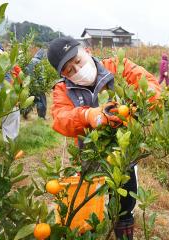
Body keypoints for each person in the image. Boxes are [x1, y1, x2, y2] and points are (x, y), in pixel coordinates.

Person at [47, 37, 161, 240]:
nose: (77, 70)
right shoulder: (62, 89)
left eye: (78, 61)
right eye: (69, 70)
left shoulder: (118, 67)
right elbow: (60, 119)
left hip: (123, 155)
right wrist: (87, 115)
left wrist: (133, 106)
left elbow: (151, 86)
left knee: (124, 206)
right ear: (63, 75)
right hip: (89, 158)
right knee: (88, 210)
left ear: (87, 51)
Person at [24, 48, 47, 119]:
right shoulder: (39, 63)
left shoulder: (30, 61)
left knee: (30, 100)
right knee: (41, 101)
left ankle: (25, 113)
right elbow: (41, 76)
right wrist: (43, 86)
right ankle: (41, 117)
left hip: (29, 84)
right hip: (38, 86)